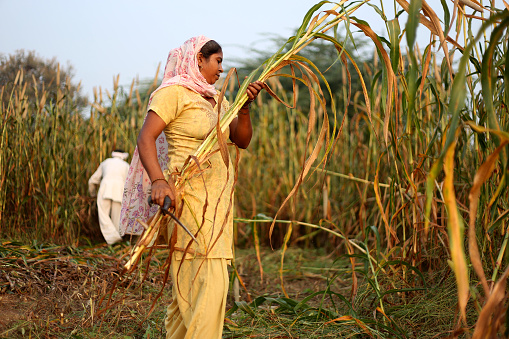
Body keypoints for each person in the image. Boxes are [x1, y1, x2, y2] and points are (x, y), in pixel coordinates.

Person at [119, 36, 264, 339]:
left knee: (187, 294)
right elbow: (146, 138)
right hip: (190, 204)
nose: (222, 68)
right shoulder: (173, 94)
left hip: (219, 208)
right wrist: (159, 181)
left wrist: (246, 106)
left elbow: (242, 140)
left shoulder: (218, 99)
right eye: (218, 61)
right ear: (199, 59)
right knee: (208, 287)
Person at [88, 150, 130, 245]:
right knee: (117, 217)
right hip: (120, 191)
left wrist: (93, 194)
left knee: (103, 215)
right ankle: (117, 241)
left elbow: (92, 180)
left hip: (105, 189)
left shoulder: (106, 162)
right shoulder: (126, 165)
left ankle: (113, 239)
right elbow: (130, 182)